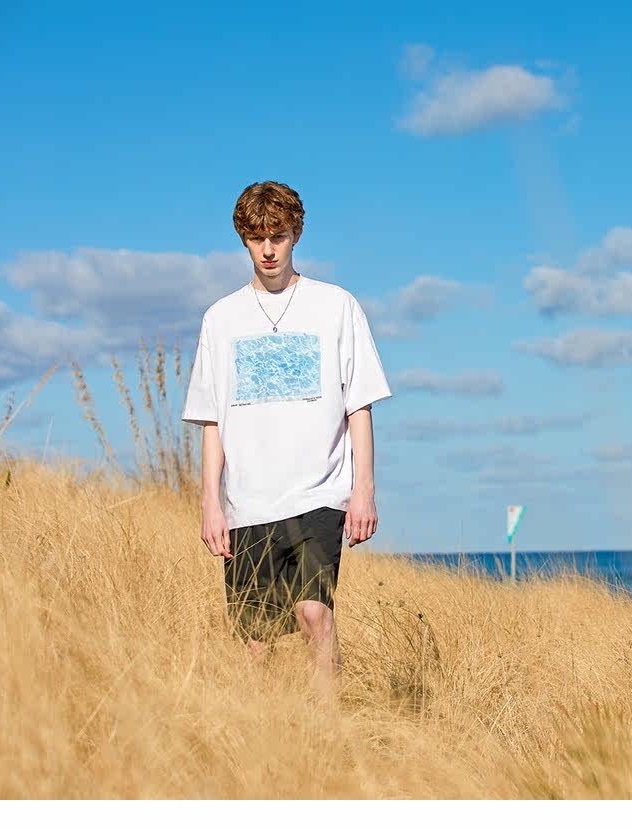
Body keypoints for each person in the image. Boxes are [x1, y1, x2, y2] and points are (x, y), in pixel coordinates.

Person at [180, 180, 392, 696]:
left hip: (319, 492)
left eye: (278, 236)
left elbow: (359, 404)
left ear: (296, 233)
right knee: (255, 641)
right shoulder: (221, 319)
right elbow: (212, 421)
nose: (269, 249)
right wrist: (210, 503)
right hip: (248, 501)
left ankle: (329, 722)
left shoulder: (336, 306)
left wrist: (363, 490)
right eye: (257, 238)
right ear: (244, 240)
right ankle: (271, 731)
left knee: (314, 613)